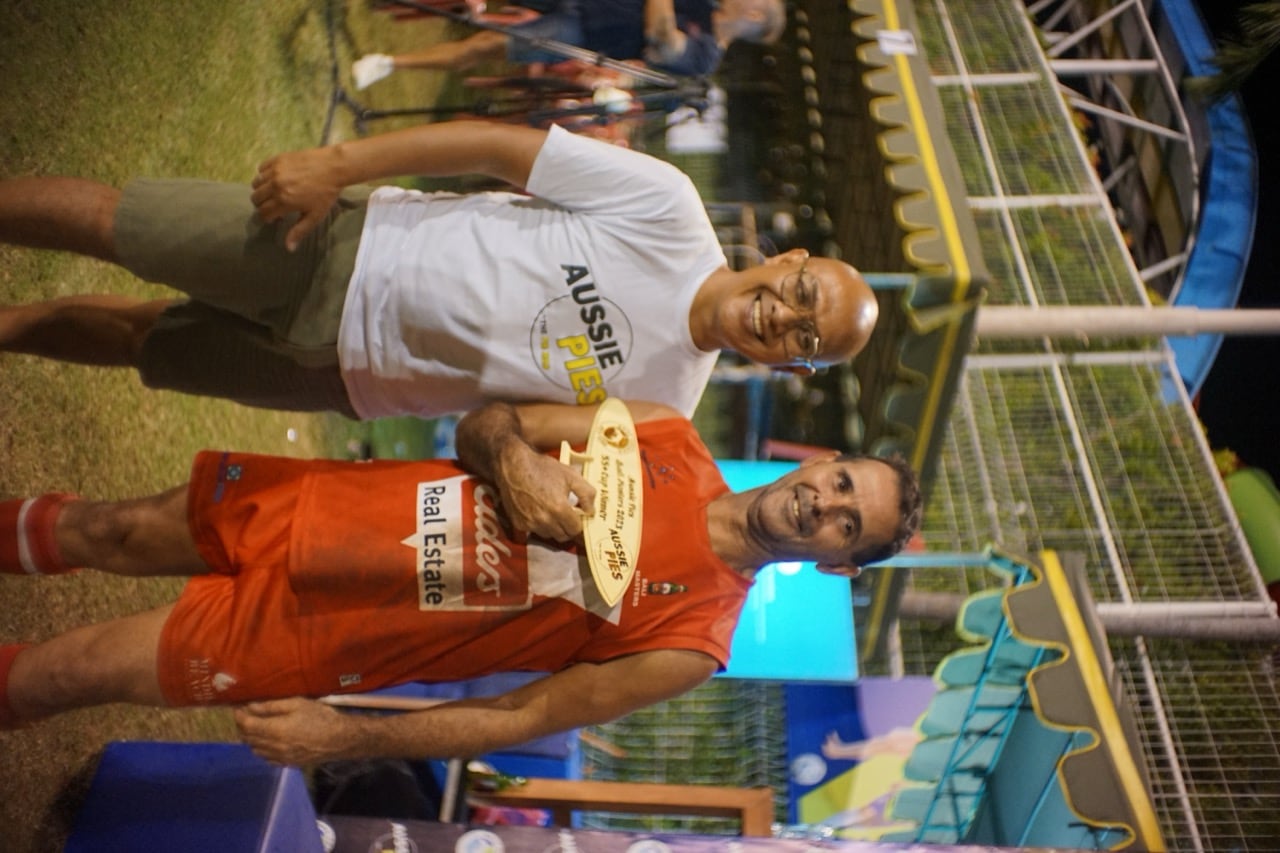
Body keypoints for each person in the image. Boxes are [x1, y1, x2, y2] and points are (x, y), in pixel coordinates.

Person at [0, 399, 922, 765]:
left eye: (848, 525)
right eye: (842, 482)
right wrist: (514, 459)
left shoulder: (695, 642)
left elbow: (520, 715)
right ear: (822, 460)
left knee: (68, 672)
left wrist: (343, 736)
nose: (825, 505)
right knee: (103, 527)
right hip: (325, 508)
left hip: (320, 632)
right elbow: (491, 421)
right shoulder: (665, 435)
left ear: (837, 563)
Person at [0, 119, 876, 420]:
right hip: (348, 253)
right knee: (121, 226)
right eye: (802, 294)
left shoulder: (664, 408)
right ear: (789, 260)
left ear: (790, 367)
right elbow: (496, 149)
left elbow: (522, 434)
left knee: (144, 342)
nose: (783, 317)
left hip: (344, 379)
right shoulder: (670, 209)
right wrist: (338, 165)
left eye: (805, 338)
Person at [351, 0, 787, 90]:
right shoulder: (706, 5)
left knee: (484, 45)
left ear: (753, 17)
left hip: (583, 34)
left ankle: (387, 63)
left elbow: (663, 40)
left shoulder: (706, 55)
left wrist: (662, 17)